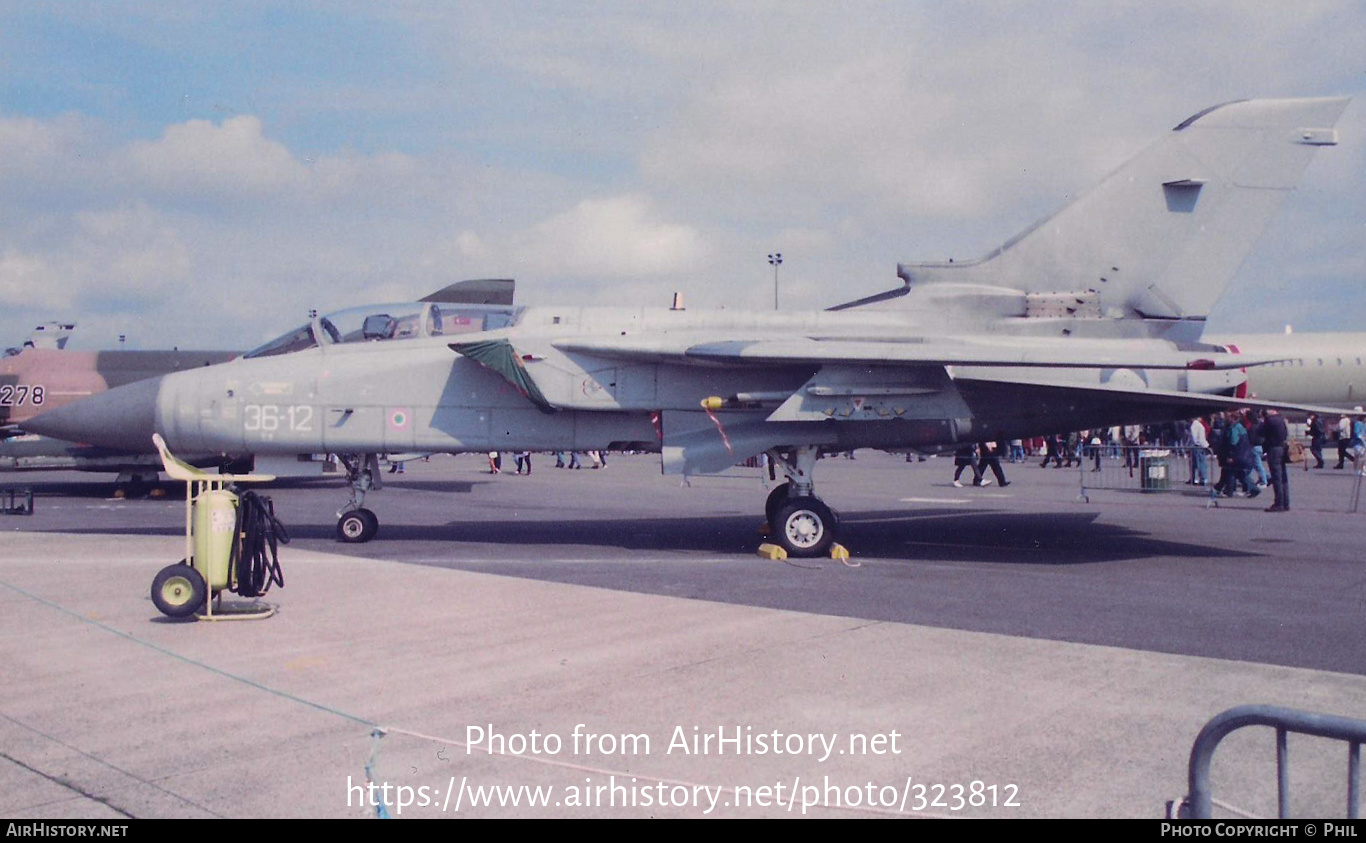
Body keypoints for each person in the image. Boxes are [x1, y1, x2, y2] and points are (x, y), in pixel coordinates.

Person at [1258, 408, 1289, 511]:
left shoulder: (1270, 420)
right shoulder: (1281, 419)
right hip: (1282, 448)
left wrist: (1262, 422)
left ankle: (1278, 503)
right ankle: (1285, 502)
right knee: (1283, 476)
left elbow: (1261, 432)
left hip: (1274, 449)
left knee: (1277, 477)